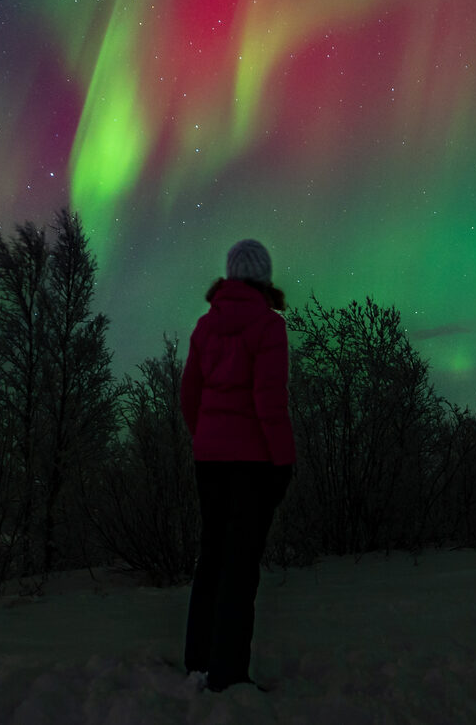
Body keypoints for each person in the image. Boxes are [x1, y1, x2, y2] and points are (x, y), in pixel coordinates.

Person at [180, 238, 296, 693]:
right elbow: (270, 402)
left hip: (209, 461)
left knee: (210, 559)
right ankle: (228, 672)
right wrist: (283, 461)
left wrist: (204, 438)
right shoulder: (268, 326)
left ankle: (199, 660)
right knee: (240, 566)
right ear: (264, 278)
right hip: (253, 463)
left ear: (230, 277)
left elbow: (189, 395)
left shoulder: (204, 328)